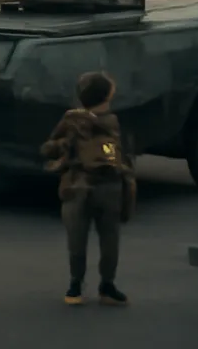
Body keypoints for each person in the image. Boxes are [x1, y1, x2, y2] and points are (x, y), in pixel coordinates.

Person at [41, 71, 134, 307]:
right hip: (110, 186)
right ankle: (107, 286)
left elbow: (47, 150)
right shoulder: (113, 121)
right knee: (110, 239)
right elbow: (123, 154)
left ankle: (75, 285)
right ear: (108, 95)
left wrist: (64, 145)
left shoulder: (71, 119)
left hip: (77, 185)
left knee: (77, 239)